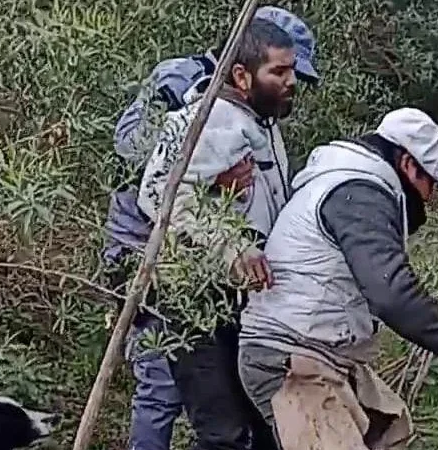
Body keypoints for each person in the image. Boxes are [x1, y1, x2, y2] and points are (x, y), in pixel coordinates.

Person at [101, 7, 319, 450]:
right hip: (183, 283)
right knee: (177, 399)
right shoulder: (199, 108)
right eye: (280, 71)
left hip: (227, 292)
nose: (292, 83)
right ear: (242, 73)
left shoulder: (258, 118)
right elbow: (156, 191)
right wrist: (228, 237)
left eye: (293, 71)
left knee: (243, 417)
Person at [237, 108, 438, 450]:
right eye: (429, 181)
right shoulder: (359, 194)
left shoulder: (349, 183)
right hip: (289, 358)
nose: (429, 197)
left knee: (392, 435)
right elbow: (390, 291)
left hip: (325, 354)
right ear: (407, 165)